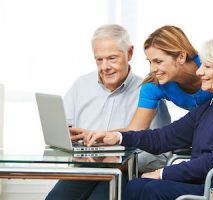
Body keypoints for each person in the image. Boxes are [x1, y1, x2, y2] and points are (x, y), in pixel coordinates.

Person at [85, 35, 213, 200]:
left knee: (152, 190)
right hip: (206, 183)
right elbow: (163, 137)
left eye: (207, 66)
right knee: (136, 185)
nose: (199, 72)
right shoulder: (211, 106)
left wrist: (163, 173)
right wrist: (118, 137)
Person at [45, 24, 171, 200]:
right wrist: (67, 137)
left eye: (112, 58)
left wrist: (120, 162)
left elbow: (162, 155)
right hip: (84, 169)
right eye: (99, 59)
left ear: (130, 53)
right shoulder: (81, 85)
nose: (105, 67)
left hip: (125, 171)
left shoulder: (149, 93)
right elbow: (63, 131)